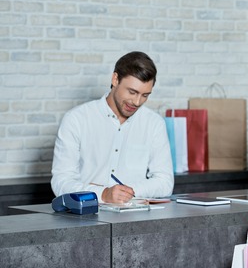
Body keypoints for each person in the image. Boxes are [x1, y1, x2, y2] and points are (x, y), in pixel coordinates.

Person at [51, 51, 174, 203]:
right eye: (132, 92)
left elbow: (165, 182)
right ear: (115, 79)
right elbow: (61, 181)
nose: (137, 102)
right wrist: (103, 194)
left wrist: (125, 192)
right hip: (86, 215)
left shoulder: (154, 123)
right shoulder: (76, 119)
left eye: (145, 95)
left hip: (135, 216)